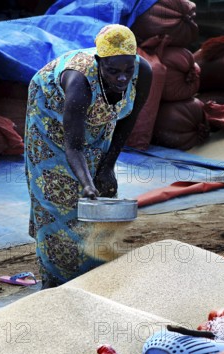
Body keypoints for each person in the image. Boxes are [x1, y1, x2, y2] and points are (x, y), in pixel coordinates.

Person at [25, 24, 152, 288]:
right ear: (98, 63)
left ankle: (94, 276)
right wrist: (86, 184)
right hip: (50, 113)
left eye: (127, 69)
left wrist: (107, 167)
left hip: (99, 113)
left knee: (101, 186)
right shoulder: (79, 80)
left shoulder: (144, 72)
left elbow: (127, 122)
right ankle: (56, 283)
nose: (122, 78)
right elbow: (73, 146)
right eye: (113, 71)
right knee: (56, 195)